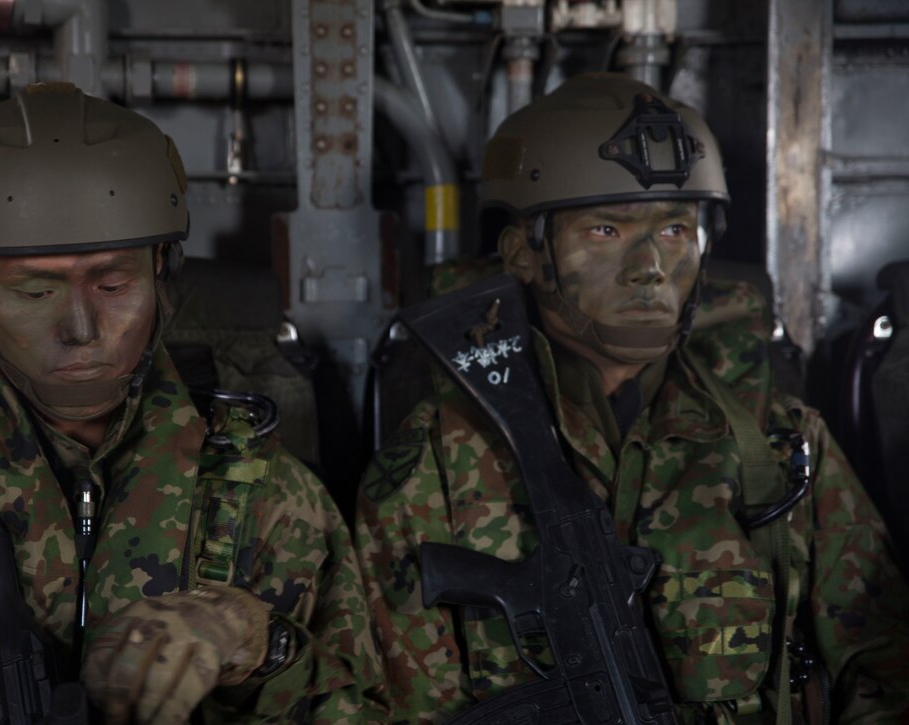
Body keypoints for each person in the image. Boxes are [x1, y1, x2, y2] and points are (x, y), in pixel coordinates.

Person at [0, 82, 386, 724]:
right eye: (35, 294)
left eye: (114, 285)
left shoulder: (271, 498)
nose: (82, 329)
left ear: (161, 282)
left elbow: (353, 711)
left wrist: (256, 643)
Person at [354, 73, 909, 723]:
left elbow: (885, 660)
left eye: (676, 231)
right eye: (606, 231)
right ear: (524, 254)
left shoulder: (784, 447)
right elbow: (389, 701)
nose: (650, 266)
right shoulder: (436, 463)